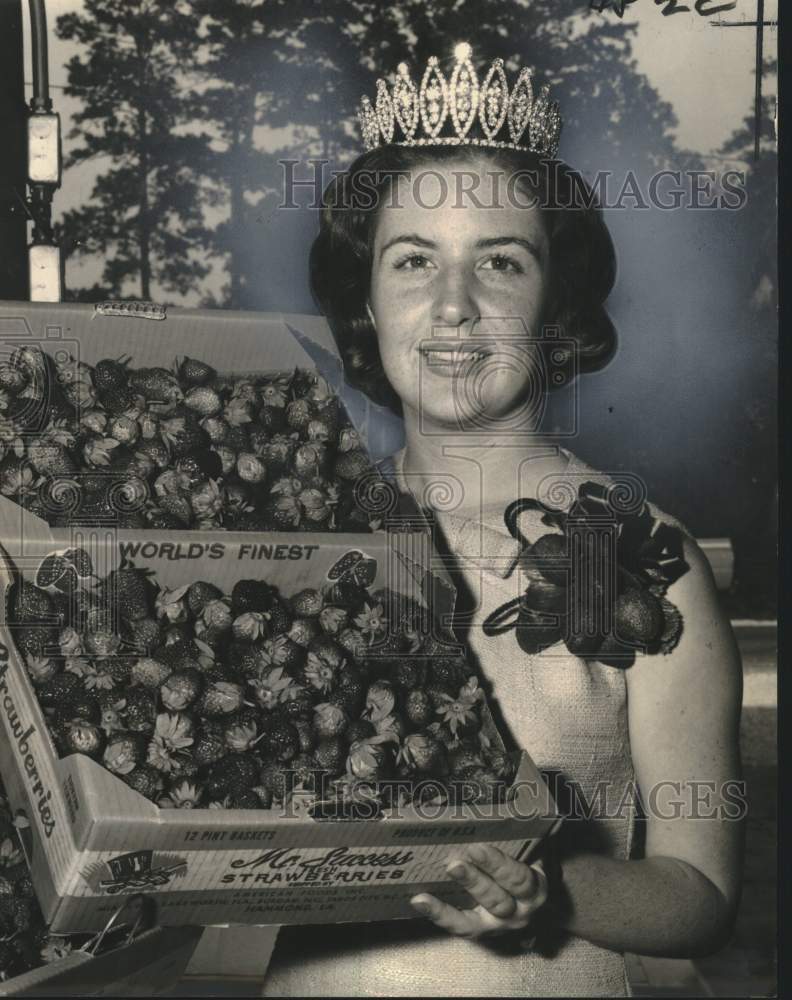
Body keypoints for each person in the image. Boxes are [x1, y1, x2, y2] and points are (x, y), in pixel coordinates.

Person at [261, 42, 744, 997]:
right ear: (364, 297)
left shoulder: (638, 556)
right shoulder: (291, 542)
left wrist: (547, 888)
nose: (453, 308)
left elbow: (703, 899)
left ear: (553, 297)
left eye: (502, 263)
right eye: (412, 263)